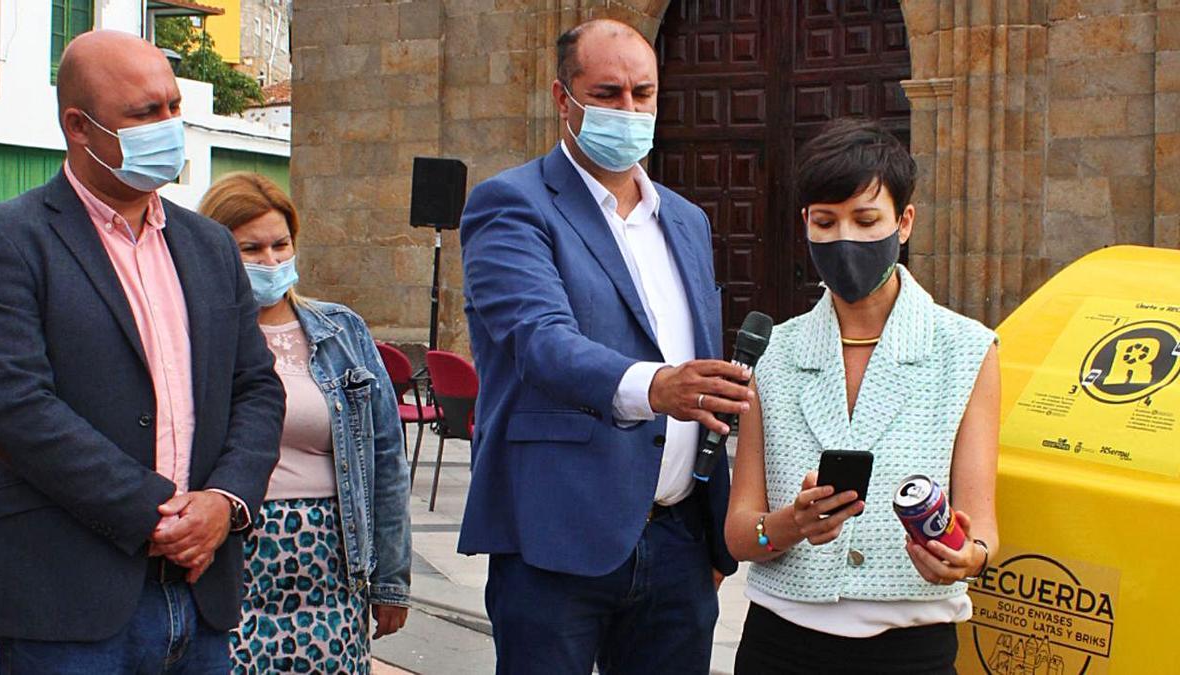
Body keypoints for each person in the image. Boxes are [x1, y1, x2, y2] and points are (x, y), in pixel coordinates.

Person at [0, 31, 284, 672]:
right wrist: (157, 513)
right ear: (79, 127)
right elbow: (13, 407)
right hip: (68, 606)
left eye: (173, 107)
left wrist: (225, 502)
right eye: (145, 114)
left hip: (202, 596)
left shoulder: (208, 246)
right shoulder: (8, 240)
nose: (169, 127)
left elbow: (256, 386)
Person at [457, 18, 754, 675]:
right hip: (557, 539)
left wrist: (710, 533)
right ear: (564, 100)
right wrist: (655, 386)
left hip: (679, 540)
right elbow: (539, 340)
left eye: (642, 94)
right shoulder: (512, 205)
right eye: (609, 93)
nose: (629, 109)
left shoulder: (685, 219)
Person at [724, 118, 1001, 674]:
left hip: (910, 652)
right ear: (805, 223)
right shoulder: (772, 353)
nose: (845, 237)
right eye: (825, 221)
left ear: (904, 223)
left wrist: (961, 558)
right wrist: (790, 525)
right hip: (780, 646)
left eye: (866, 219)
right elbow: (739, 533)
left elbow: (983, 531)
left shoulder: (966, 349)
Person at [197, 173, 412, 673]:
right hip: (232, 560)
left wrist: (391, 581)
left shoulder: (341, 332)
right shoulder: (197, 334)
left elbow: (385, 458)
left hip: (332, 562)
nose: (271, 261)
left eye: (281, 244)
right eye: (251, 248)